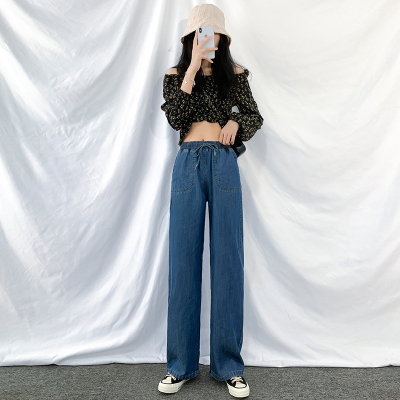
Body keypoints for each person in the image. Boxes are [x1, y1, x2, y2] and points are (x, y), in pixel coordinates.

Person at [158, 4, 263, 398]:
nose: (209, 39)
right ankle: (179, 366)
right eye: (202, 33)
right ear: (191, 38)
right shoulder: (175, 76)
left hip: (223, 163)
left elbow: (253, 115)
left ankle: (229, 366)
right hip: (187, 162)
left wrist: (235, 121)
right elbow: (176, 117)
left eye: (214, 33)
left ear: (222, 37)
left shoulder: (234, 75)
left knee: (228, 260)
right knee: (182, 261)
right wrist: (191, 69)